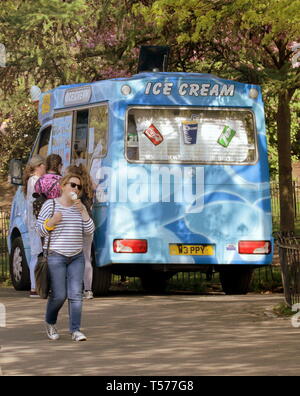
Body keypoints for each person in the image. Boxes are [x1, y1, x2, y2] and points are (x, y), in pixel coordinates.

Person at [36, 174, 95, 342]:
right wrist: (52, 222)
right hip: (56, 256)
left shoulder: (80, 208)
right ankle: (50, 321)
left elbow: (90, 230)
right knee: (59, 295)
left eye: (79, 187)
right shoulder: (51, 204)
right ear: (63, 186)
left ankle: (75, 330)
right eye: (73, 185)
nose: (76, 189)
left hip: (76, 257)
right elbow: (39, 230)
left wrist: (83, 212)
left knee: (76, 294)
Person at [66, 164, 96, 300]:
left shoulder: (74, 189)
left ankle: (73, 288)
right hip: (88, 222)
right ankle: (88, 289)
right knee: (87, 258)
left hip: (76, 224)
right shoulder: (89, 186)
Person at [23, 155, 46, 297]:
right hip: (36, 222)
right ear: (38, 166)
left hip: (33, 222)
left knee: (35, 254)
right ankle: (35, 286)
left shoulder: (31, 181)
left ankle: (35, 285)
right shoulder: (35, 181)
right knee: (36, 254)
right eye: (43, 166)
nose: (44, 169)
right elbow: (35, 201)